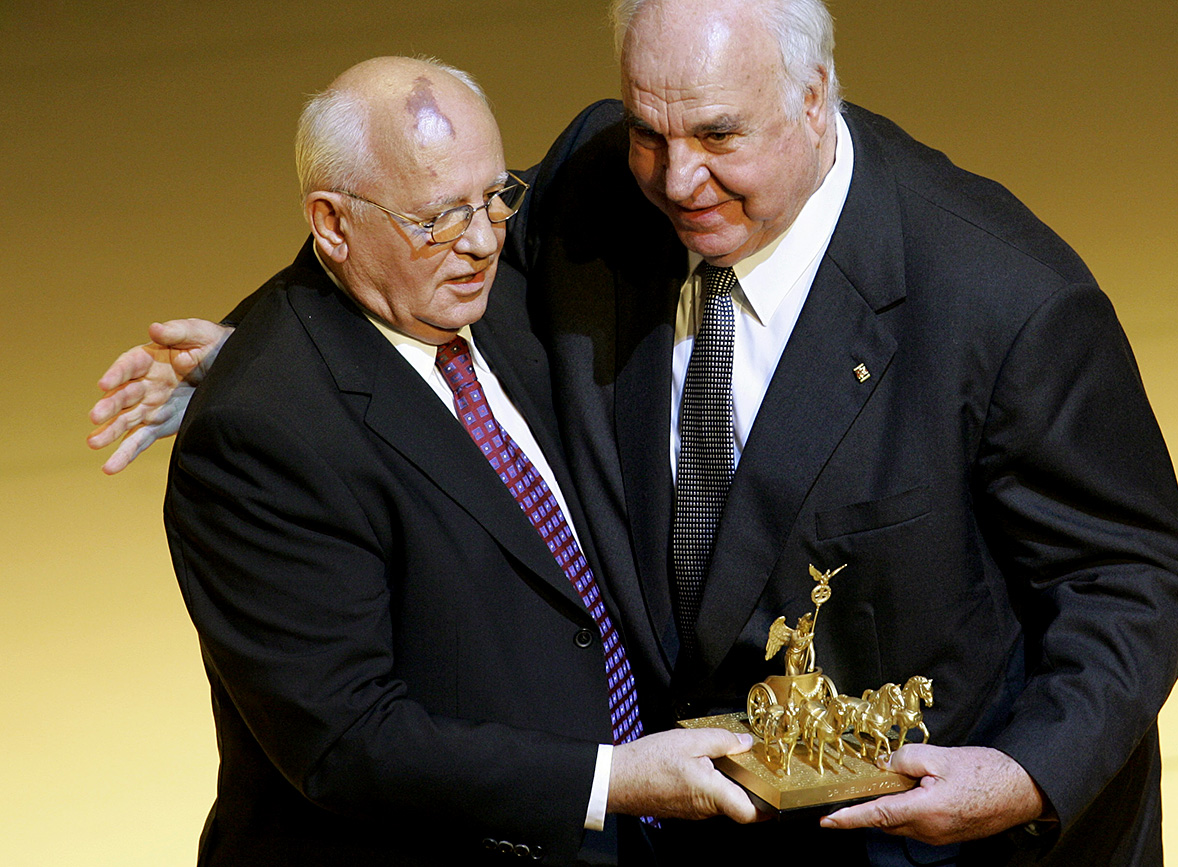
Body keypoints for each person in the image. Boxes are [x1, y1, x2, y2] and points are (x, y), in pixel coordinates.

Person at [91, 3, 1178, 864]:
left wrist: (1025, 776)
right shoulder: (599, 179)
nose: (678, 181)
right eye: (649, 132)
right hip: (694, 833)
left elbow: (1134, 576)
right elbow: (417, 235)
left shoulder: (1001, 300)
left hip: (925, 847)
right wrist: (256, 352)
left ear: (816, 98)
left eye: (719, 135)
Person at [133, 55, 757, 867]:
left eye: (494, 198)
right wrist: (609, 779)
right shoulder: (259, 436)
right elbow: (348, 742)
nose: (480, 243)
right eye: (437, 219)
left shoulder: (491, 293)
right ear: (331, 222)